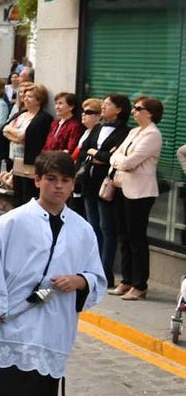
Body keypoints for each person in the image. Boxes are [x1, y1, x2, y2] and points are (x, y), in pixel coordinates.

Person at [0, 151, 106, 396]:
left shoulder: (83, 229)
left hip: (54, 328)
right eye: (51, 179)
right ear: (37, 181)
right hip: (16, 325)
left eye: (65, 181)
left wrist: (80, 280)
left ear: (73, 184)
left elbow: (97, 276)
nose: (58, 187)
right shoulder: (12, 222)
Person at [107, 96, 164, 302]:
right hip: (122, 188)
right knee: (124, 235)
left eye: (138, 108)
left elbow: (129, 161)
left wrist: (119, 160)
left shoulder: (153, 135)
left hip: (140, 192)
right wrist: (118, 159)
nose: (134, 111)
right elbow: (115, 156)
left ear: (149, 113)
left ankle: (140, 285)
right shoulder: (133, 132)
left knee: (137, 238)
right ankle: (127, 279)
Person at [78, 94, 129, 288]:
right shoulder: (98, 128)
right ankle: (92, 267)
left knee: (107, 228)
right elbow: (84, 150)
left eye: (107, 105)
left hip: (106, 183)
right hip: (89, 181)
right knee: (93, 227)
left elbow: (113, 157)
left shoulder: (124, 132)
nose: (103, 108)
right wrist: (94, 154)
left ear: (118, 110)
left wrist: (96, 154)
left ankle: (105, 272)